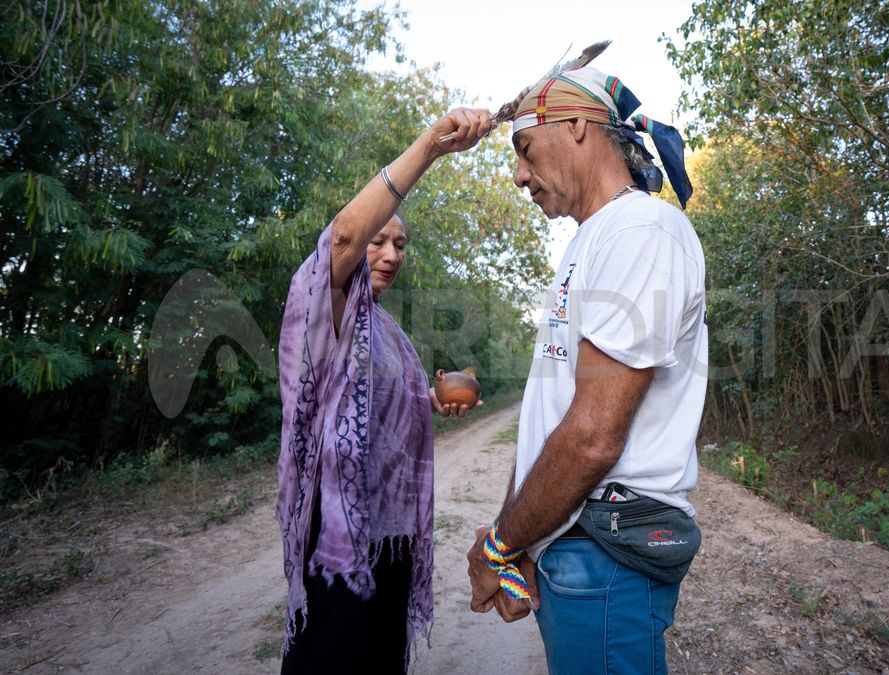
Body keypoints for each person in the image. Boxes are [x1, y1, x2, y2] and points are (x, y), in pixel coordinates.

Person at [465, 65, 707, 675]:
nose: (519, 174)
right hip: (577, 547)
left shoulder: (642, 232)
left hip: (606, 550)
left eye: (523, 149)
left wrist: (501, 543)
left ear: (576, 125)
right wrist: (519, 535)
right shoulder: (596, 238)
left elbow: (593, 436)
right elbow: (550, 419)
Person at [276, 108, 492, 674]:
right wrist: (431, 148)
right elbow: (344, 233)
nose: (392, 255)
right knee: (334, 660)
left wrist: (431, 400)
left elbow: (377, 405)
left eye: (401, 244)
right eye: (380, 241)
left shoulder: (386, 335)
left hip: (389, 532)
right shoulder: (327, 305)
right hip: (338, 533)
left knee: (378, 662)